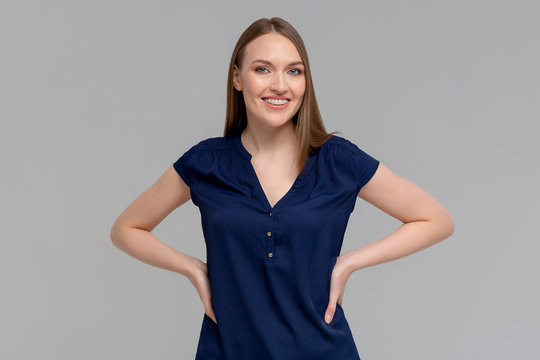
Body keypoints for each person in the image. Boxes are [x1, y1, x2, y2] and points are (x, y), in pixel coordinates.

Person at [110, 17, 454, 360]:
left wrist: (349, 263)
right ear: (237, 77)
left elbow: (435, 220)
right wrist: (193, 269)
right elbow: (126, 229)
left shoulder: (337, 161)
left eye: (294, 71)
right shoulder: (206, 163)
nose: (280, 85)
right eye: (262, 69)